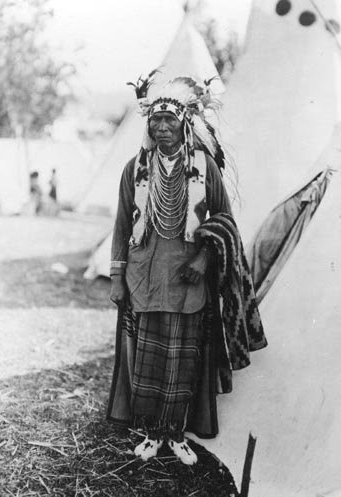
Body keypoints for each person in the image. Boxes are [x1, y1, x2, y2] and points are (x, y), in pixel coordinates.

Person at [107, 74, 267, 465]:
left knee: (181, 361)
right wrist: (116, 276)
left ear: (185, 124)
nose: (162, 127)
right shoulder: (136, 168)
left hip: (187, 281)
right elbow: (122, 226)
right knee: (146, 359)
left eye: (170, 121)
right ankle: (150, 432)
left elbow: (225, 218)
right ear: (148, 126)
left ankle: (176, 432)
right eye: (156, 121)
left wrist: (203, 258)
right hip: (145, 277)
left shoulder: (204, 166)